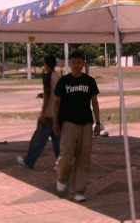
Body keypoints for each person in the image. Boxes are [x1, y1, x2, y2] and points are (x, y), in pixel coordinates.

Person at [53, 50, 101, 203]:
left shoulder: (89, 81)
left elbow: (94, 102)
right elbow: (56, 102)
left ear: (83, 64)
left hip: (86, 123)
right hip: (68, 123)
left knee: (83, 158)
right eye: (73, 63)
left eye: (79, 62)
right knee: (66, 156)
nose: (76, 65)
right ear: (69, 64)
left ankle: (77, 191)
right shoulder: (64, 81)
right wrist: (55, 121)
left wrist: (98, 123)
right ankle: (62, 177)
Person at [17, 54, 61, 169]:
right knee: (58, 141)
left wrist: (43, 112)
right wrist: (44, 95)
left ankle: (29, 160)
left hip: (49, 113)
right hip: (58, 113)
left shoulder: (47, 76)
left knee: (38, 139)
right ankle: (60, 163)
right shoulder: (58, 76)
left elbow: (48, 94)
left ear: (46, 64)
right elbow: (55, 93)